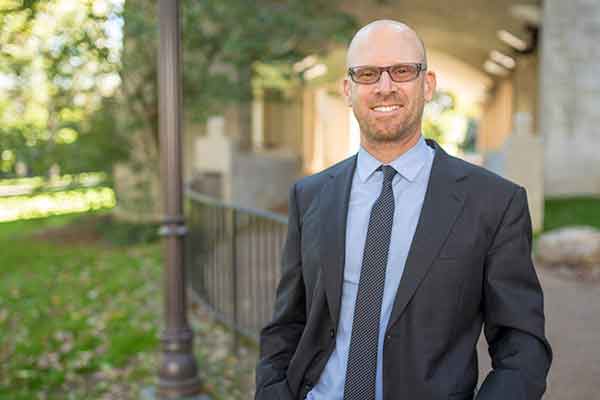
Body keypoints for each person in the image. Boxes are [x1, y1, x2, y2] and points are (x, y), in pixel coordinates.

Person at [255, 19, 552, 400]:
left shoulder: (494, 203)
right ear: (348, 89)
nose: (384, 86)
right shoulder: (310, 195)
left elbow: (522, 344)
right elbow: (287, 323)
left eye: (401, 71)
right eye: (367, 74)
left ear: (427, 85)